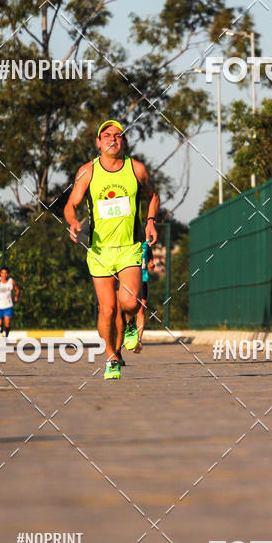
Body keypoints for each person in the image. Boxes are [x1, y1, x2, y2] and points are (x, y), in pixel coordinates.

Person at [64, 119, 159, 380]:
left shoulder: (136, 169)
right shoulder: (88, 172)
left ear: (124, 141)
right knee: (107, 310)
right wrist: (73, 222)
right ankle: (111, 356)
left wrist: (150, 221)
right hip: (99, 250)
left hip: (129, 247)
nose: (112, 139)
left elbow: (153, 196)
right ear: (98, 142)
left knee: (128, 302)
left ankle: (129, 324)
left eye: (118, 135)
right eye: (106, 135)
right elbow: (71, 205)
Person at [134, 239, 155, 353]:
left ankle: (139, 341)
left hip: (143, 280)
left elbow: (149, 253)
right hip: (130, 281)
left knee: (141, 310)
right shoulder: (128, 241)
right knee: (128, 309)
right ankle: (128, 333)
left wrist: (151, 262)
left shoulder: (146, 243)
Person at [0, 267, 19, 337]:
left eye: (5, 273)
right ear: (0, 274)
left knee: (7, 322)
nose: (4, 275)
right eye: (2, 273)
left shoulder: (11, 281)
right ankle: (1, 327)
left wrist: (16, 296)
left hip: (8, 305)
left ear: (7, 274)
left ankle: (6, 335)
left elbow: (17, 290)